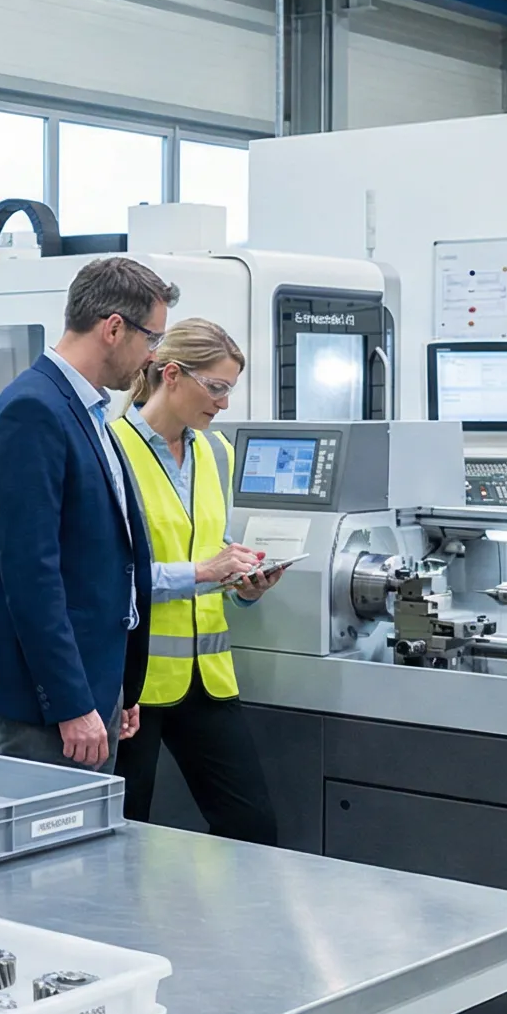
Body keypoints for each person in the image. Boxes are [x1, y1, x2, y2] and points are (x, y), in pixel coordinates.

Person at [0, 256, 170, 770]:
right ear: (114, 329)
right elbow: (31, 576)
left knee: (88, 844)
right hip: (47, 700)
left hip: (92, 682)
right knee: (54, 846)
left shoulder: (88, 411)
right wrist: (72, 701)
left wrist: (116, 686)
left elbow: (104, 554)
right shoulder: (33, 411)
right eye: (152, 340)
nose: (152, 357)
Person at [108, 318, 282, 843]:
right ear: (173, 374)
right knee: (122, 829)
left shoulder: (217, 452)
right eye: (217, 388)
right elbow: (109, 577)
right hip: (134, 683)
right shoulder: (111, 451)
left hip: (207, 679)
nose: (224, 404)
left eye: (230, 390)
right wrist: (204, 572)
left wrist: (242, 583)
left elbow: (213, 550)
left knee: (252, 826)